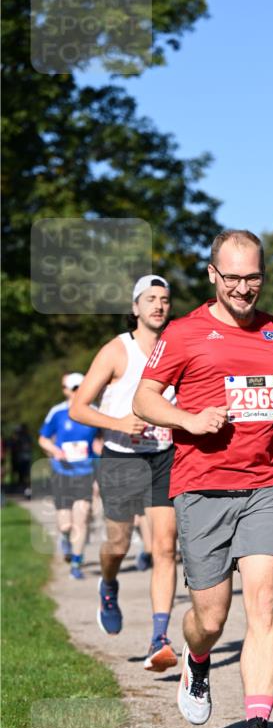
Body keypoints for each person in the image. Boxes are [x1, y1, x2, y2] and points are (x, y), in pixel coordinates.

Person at [133, 229, 273, 728]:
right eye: (232, 277)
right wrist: (188, 420)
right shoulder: (184, 332)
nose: (243, 288)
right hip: (203, 489)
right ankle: (196, 659)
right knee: (210, 619)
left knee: (263, 604)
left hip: (269, 485)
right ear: (213, 274)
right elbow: (144, 398)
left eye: (253, 277)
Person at [70, 275, 179, 674]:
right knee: (117, 542)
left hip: (164, 456)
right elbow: (78, 408)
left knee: (165, 547)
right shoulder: (117, 350)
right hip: (120, 457)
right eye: (150, 299)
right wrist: (117, 422)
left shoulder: (177, 348)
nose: (158, 305)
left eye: (164, 299)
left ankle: (159, 637)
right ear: (135, 307)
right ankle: (109, 583)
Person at [38, 373, 99, 579]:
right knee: (66, 524)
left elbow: (101, 440)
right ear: (66, 391)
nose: (78, 392)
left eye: (81, 387)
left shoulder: (94, 412)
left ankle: (76, 563)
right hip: (62, 472)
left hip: (86, 472)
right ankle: (64, 537)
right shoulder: (57, 412)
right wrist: (55, 451)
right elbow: (43, 439)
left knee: (81, 519)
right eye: (74, 388)